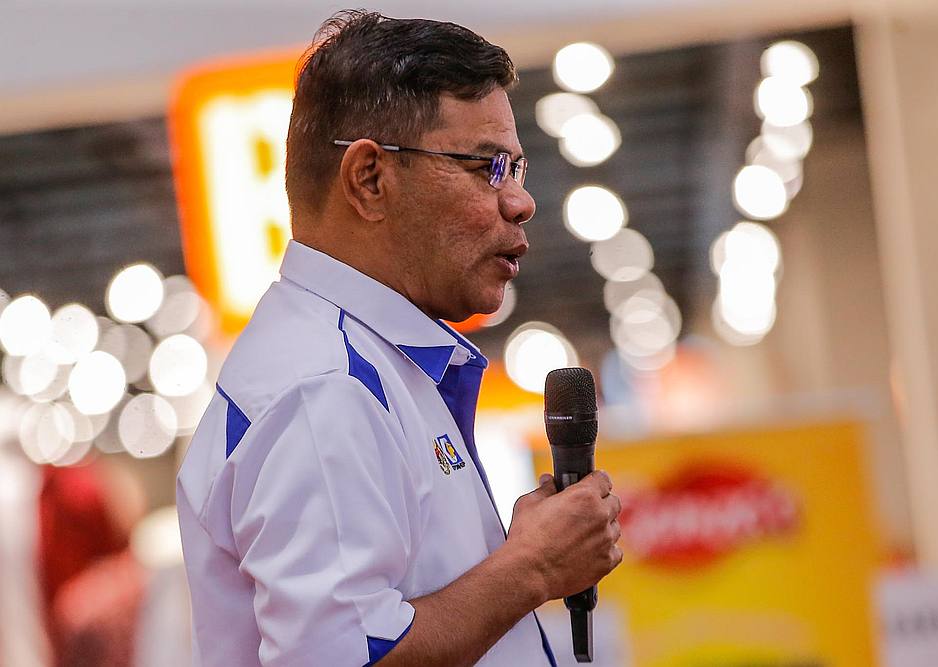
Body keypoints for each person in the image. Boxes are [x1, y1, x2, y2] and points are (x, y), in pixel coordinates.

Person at [176, 10, 623, 666]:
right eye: (488, 167)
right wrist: (532, 566)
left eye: (517, 169)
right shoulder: (324, 386)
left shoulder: (367, 365)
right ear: (369, 179)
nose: (521, 202)